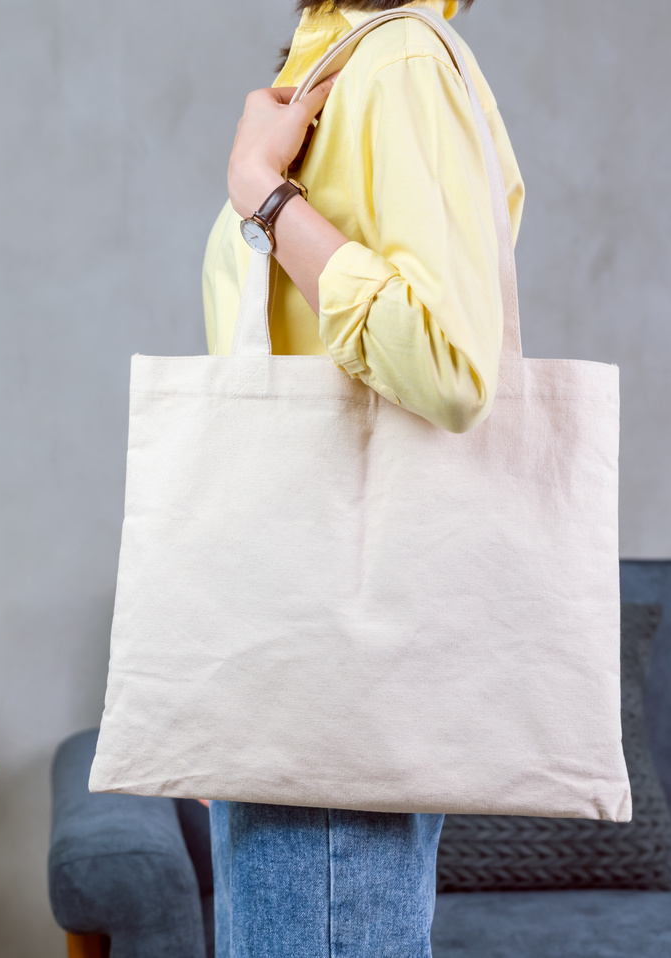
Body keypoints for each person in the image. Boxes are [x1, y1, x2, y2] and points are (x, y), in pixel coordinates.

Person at [201, 0, 524, 955]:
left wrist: (263, 190)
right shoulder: (337, 54)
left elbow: (448, 364)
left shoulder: (399, 64)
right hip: (286, 641)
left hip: (331, 654)